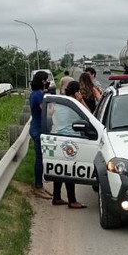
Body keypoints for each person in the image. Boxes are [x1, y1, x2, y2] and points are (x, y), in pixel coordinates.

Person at [50, 80, 87, 209]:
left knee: (59, 169)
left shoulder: (61, 102)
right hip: (71, 140)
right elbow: (90, 115)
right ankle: (72, 200)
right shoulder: (75, 104)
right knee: (69, 171)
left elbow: (51, 115)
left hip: (57, 137)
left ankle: (57, 197)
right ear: (76, 92)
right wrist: (81, 101)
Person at [28, 70, 52, 199]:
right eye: (46, 80)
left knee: (40, 158)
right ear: (43, 81)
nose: (47, 82)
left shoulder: (34, 94)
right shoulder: (38, 95)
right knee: (39, 159)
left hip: (35, 128)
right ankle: (38, 186)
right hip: (38, 129)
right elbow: (46, 112)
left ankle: (40, 185)